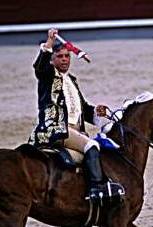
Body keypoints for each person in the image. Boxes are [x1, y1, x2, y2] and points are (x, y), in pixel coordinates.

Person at [28, 28, 110, 200]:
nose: (64, 59)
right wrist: (49, 42)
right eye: (59, 56)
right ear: (52, 60)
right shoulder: (48, 75)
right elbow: (40, 67)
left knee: (87, 154)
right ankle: (97, 190)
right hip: (57, 129)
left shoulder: (71, 80)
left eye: (67, 56)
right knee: (92, 146)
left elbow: (82, 109)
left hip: (74, 131)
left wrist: (97, 112)